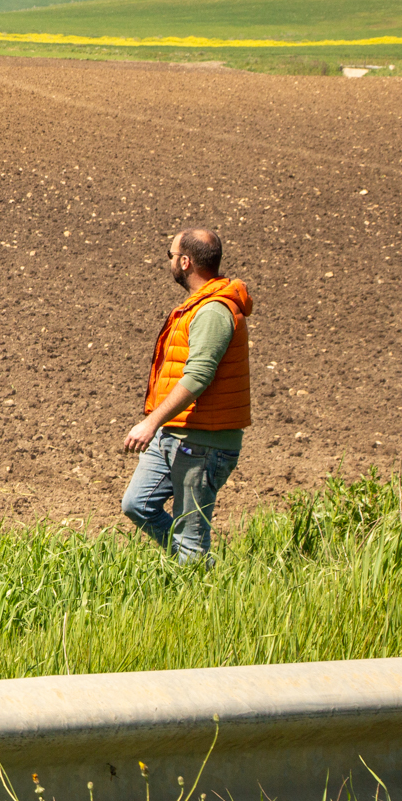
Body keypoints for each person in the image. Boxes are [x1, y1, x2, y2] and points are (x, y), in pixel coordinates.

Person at [119, 228, 253, 563]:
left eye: (171, 255)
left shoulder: (213, 312)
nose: (169, 262)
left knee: (191, 538)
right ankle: (194, 564)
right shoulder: (196, 307)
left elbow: (198, 377)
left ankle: (194, 572)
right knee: (137, 504)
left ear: (185, 262)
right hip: (175, 433)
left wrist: (151, 423)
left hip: (202, 443)